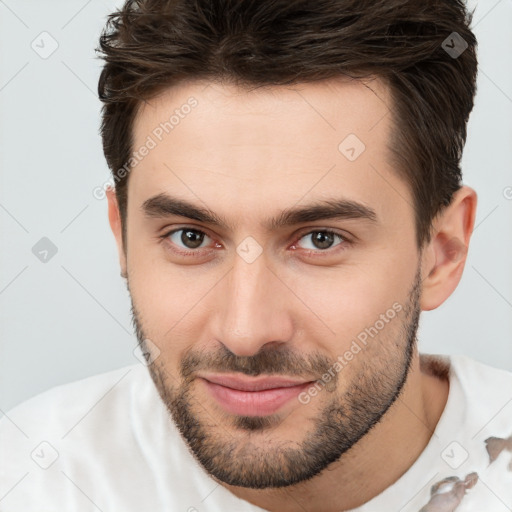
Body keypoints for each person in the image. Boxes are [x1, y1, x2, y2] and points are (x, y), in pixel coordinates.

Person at [1, 0, 511, 511]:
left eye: (321, 240)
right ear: (123, 240)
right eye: (190, 238)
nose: (245, 333)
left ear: (442, 253)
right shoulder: (29, 480)